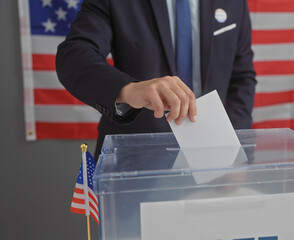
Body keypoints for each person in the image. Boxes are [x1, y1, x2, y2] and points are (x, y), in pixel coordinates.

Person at [56, 0, 257, 161]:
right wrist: (128, 89)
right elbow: (74, 57)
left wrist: (236, 150)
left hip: (213, 160)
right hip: (134, 160)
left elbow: (242, 78)